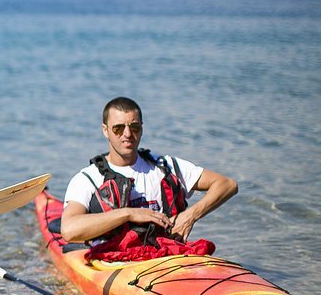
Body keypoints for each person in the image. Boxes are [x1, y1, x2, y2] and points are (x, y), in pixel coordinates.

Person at [60, 97, 238, 249]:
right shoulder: (88, 179)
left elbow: (227, 185)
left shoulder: (166, 166)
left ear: (142, 128)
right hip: (112, 264)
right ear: (105, 130)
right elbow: (69, 230)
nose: (127, 134)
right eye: (118, 128)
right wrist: (128, 214)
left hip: (166, 256)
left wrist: (190, 215)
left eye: (134, 127)